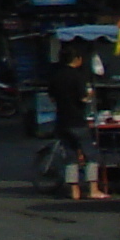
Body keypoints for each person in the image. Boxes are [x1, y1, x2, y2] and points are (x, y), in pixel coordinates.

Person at [46, 45, 93, 199]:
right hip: (77, 121)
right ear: (77, 59)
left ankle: (74, 191)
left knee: (70, 157)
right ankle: (93, 189)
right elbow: (83, 98)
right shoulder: (77, 76)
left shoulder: (56, 76)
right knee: (91, 155)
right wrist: (90, 95)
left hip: (62, 121)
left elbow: (52, 98)